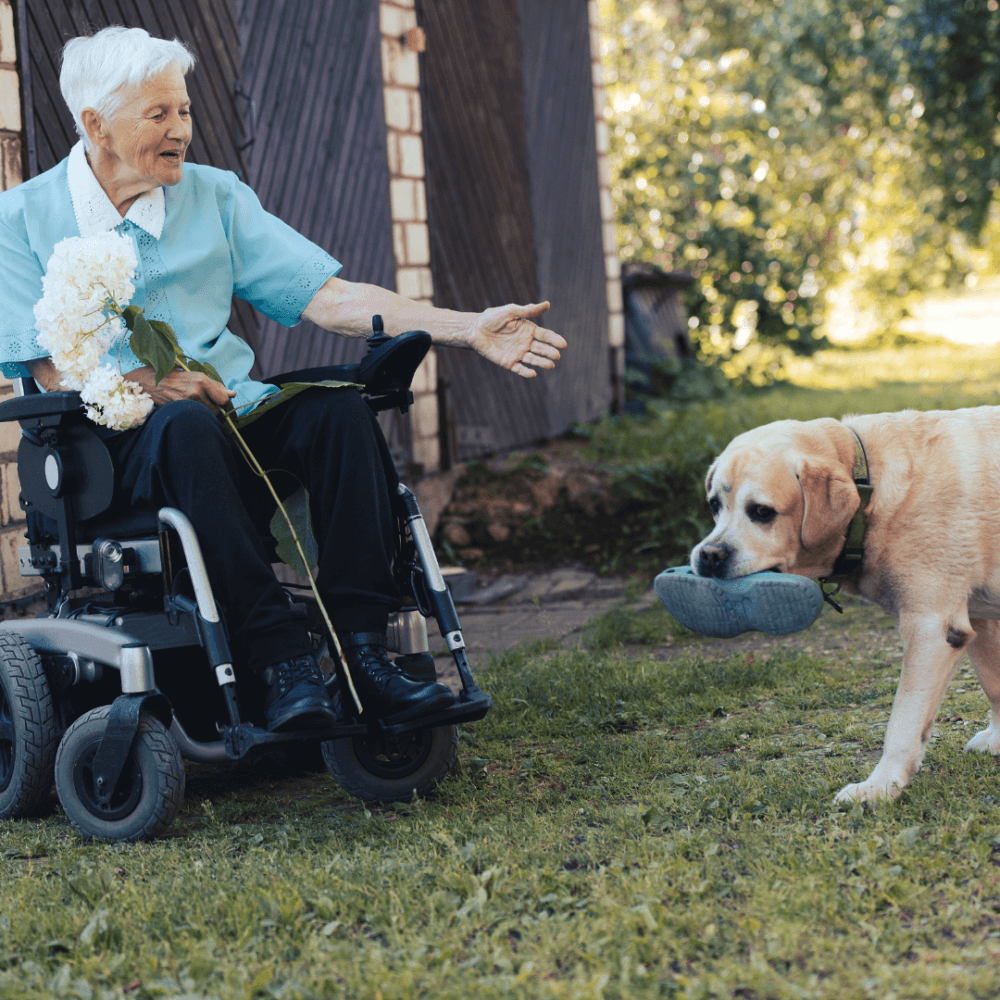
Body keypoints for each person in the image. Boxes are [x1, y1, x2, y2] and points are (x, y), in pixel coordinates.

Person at [0, 27, 567, 732]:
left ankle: (365, 655)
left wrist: (468, 326)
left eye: (184, 110)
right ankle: (282, 661)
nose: (182, 129)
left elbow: (329, 296)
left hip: (229, 418)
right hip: (112, 453)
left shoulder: (214, 197)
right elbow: (58, 368)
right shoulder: (20, 220)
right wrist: (159, 384)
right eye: (160, 116)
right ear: (95, 126)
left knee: (336, 410)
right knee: (183, 423)